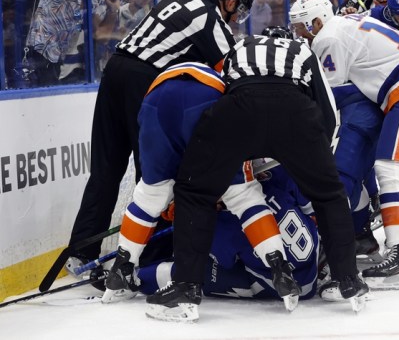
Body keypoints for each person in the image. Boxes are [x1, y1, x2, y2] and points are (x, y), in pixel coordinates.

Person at [145, 29, 368, 321]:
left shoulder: (241, 46)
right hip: (294, 111)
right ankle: (348, 280)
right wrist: (312, 160)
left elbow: (216, 91)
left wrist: (233, 159)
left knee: (194, 192)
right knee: (329, 195)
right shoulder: (301, 50)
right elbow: (326, 112)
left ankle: (186, 287)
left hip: (240, 108)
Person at [65, 0, 253, 272]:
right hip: (145, 80)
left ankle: (81, 250)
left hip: (115, 70)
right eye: (237, 10)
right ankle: (150, 260)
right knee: (154, 172)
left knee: (106, 168)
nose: (235, 18)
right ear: (229, 2)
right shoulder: (211, 20)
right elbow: (229, 73)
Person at [101, 48, 308, 312]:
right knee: (244, 195)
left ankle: (121, 271)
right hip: (211, 100)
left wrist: (174, 193)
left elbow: (183, 163)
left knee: (150, 195)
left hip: (155, 101)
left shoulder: (180, 74)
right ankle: (280, 268)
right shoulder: (235, 81)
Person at [288, 0, 399, 290]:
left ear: (316, 21)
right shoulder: (344, 24)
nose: (297, 33)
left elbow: (333, 97)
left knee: (390, 170)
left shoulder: (327, 38)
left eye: (300, 26)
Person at [136, 165, 320, 303]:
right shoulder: (274, 176)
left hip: (292, 287)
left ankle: (136, 280)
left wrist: (187, 217)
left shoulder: (225, 224)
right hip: (315, 260)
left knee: (197, 272)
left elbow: (222, 260)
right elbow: (313, 208)